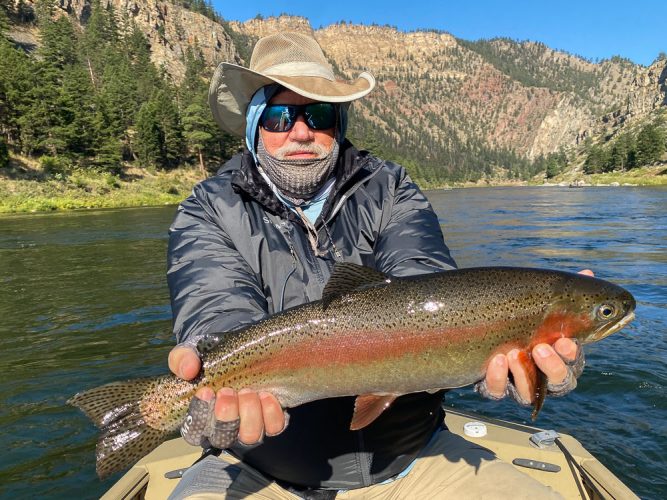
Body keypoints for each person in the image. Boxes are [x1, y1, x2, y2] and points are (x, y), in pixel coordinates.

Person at [166, 32, 584, 499]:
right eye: (280, 116)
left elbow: (423, 282)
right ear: (254, 127)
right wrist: (218, 369)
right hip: (261, 466)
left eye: (318, 114)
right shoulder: (208, 208)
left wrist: (498, 352)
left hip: (413, 461)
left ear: (338, 123)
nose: (301, 132)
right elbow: (216, 303)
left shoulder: (389, 188)